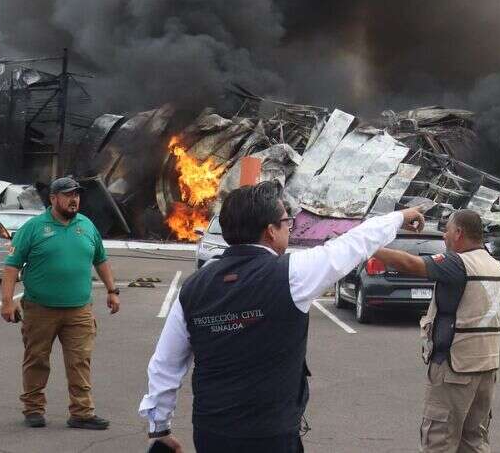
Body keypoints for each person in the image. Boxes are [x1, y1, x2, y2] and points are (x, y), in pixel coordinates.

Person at [138, 181, 426, 453]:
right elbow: (353, 244)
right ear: (270, 231)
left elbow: (166, 363)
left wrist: (159, 428)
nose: (290, 228)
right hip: (270, 433)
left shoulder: (193, 287)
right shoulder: (292, 274)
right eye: (287, 221)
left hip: (211, 431)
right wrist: (400, 216)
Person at [372, 209, 500, 453]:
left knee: (439, 441)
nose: (444, 237)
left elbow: (409, 263)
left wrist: (364, 248)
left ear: (458, 233)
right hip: (486, 369)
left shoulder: (458, 263)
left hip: (455, 369)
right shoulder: (496, 267)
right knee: (474, 441)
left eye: (447, 231)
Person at [0, 176, 120, 430]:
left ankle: (82, 413)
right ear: (53, 198)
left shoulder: (87, 225)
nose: (74, 199)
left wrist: (112, 290)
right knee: (37, 359)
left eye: (76, 194)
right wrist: (7, 302)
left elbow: (101, 259)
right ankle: (33, 409)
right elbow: (11, 268)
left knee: (80, 361)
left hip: (79, 310)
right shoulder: (32, 228)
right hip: (40, 309)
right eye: (68, 194)